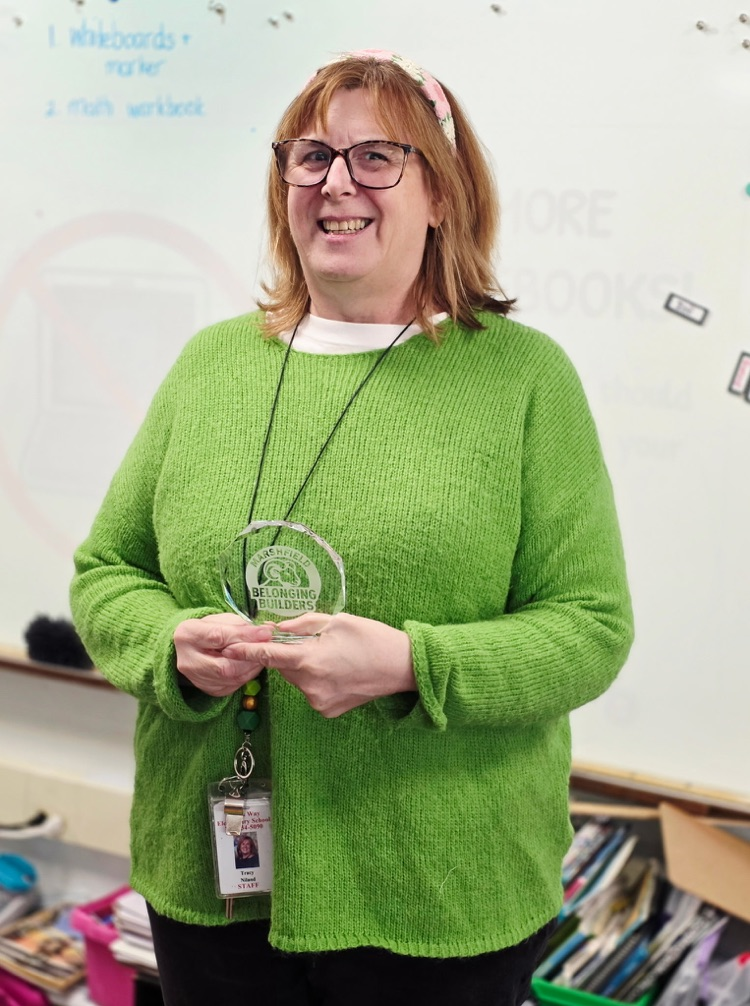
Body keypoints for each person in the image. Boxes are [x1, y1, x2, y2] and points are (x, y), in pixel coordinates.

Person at [70, 49, 634, 1006]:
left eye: (378, 157)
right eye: (311, 156)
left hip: (438, 899)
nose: (337, 183)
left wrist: (412, 665)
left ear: (442, 195)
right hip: (213, 889)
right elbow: (106, 573)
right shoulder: (211, 364)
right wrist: (170, 642)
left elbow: (589, 629)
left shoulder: (525, 379)